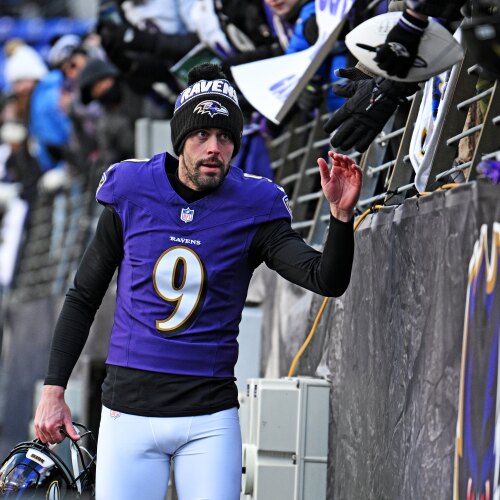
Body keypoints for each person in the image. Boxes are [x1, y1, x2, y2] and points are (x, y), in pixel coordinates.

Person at [33, 63, 362, 500]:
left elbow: (326, 278)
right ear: (180, 138)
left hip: (208, 416)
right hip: (128, 411)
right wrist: (53, 389)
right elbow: (83, 296)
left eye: (225, 137)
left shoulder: (254, 205)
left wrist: (340, 216)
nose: (213, 148)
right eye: (201, 134)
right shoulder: (132, 189)